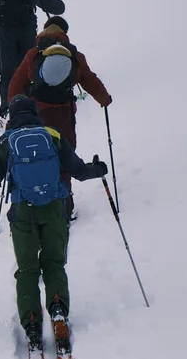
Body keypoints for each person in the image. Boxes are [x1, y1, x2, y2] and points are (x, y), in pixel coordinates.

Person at [0, 95, 108, 358]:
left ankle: (32, 324)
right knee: (53, 263)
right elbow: (79, 171)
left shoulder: (4, 141)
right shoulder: (52, 134)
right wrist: (99, 169)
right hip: (55, 208)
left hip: (23, 212)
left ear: (12, 117)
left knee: (27, 268)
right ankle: (58, 310)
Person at [6, 15, 111, 215]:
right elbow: (90, 80)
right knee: (65, 156)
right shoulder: (74, 56)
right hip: (65, 114)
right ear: (64, 33)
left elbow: (15, 85)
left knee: (37, 153)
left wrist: (15, 111)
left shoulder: (33, 55)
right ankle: (65, 205)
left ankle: (35, 197)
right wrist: (104, 99)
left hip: (38, 114)